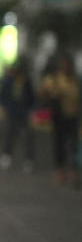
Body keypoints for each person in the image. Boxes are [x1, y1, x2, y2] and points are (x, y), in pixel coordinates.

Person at [38, 53, 80, 186]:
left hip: (72, 117)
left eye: (68, 65)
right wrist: (53, 94)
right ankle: (60, 170)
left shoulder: (76, 80)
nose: (66, 68)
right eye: (63, 65)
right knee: (59, 145)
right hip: (59, 117)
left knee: (73, 145)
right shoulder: (54, 79)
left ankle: (73, 172)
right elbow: (42, 93)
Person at [0, 58, 36, 173]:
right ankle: (7, 156)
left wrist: (30, 109)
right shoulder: (8, 81)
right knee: (10, 135)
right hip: (12, 113)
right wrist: (7, 107)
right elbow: (1, 97)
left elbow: (32, 98)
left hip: (23, 114)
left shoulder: (26, 82)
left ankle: (28, 160)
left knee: (27, 137)